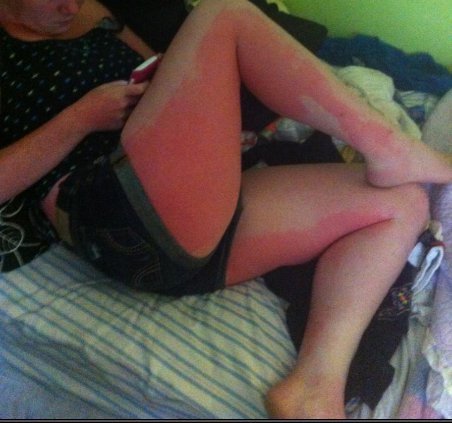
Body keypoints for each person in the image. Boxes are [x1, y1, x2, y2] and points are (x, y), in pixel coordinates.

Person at [0, 0, 451, 418]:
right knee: (224, 14)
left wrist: (206, 118)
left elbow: (161, 75)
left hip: (184, 213)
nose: (70, 6)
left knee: (402, 202)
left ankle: (315, 385)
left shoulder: (94, 12)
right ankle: (389, 147)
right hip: (112, 212)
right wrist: (82, 117)